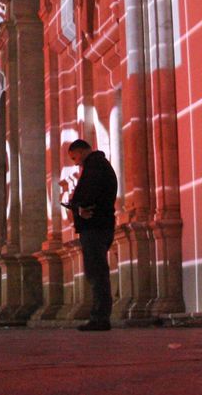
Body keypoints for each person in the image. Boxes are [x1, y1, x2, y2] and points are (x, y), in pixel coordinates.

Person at [63, 139, 117, 331]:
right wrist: (78, 206)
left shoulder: (95, 167)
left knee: (97, 272)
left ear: (81, 151)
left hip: (95, 226)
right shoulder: (98, 166)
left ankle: (100, 317)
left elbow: (90, 195)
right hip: (102, 225)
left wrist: (78, 207)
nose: (75, 162)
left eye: (74, 157)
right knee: (96, 271)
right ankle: (99, 315)